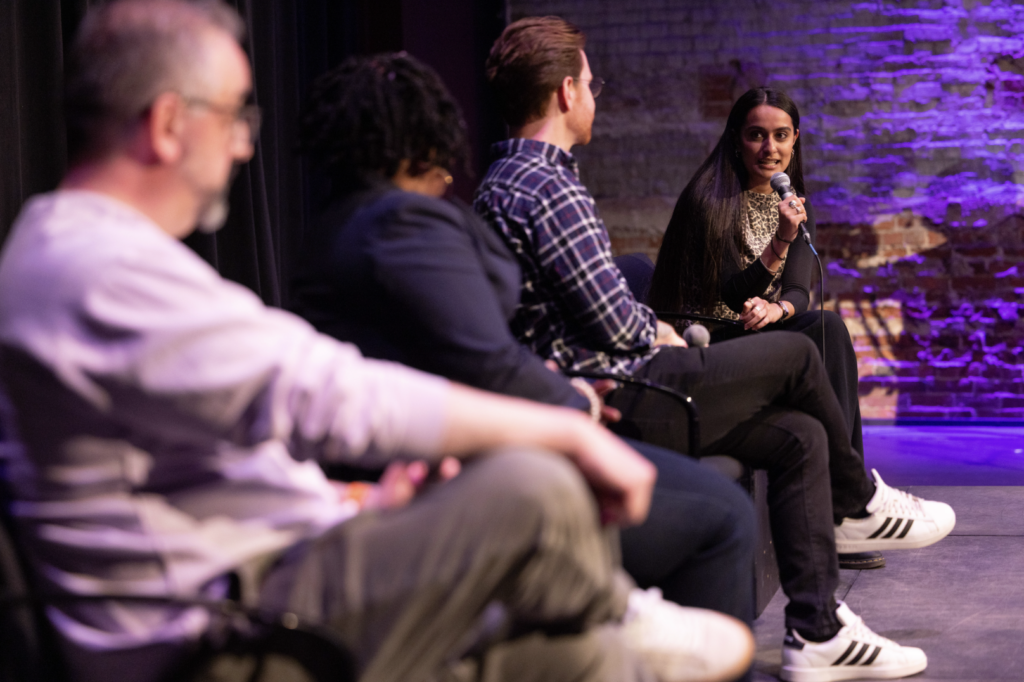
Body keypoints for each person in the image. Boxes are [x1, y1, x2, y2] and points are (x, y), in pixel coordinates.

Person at [0, 3, 753, 682]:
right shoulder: (92, 268)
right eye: (234, 118)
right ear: (168, 124)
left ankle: (613, 628)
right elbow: (321, 389)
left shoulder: (91, 254)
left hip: (258, 585)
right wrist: (566, 425)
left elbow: (196, 471)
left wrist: (353, 499)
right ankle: (619, 608)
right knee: (537, 481)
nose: (239, 147)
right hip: (217, 640)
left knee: (579, 660)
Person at [474, 15, 955, 682]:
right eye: (591, 82)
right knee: (799, 354)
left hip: (637, 371)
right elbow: (620, 326)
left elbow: (601, 310)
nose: (595, 95)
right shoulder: (546, 187)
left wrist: (772, 277)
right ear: (564, 93)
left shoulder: (518, 180)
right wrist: (662, 330)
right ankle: (859, 502)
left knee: (799, 437)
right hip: (634, 389)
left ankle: (817, 631)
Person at [288, 51, 758, 631]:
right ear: (422, 136)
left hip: (442, 447)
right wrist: (573, 403)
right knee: (723, 516)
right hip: (452, 476)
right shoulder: (399, 224)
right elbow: (485, 362)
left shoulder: (330, 232)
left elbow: (450, 353)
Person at [648, 88, 870, 518]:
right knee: (824, 333)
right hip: (710, 340)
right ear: (736, 139)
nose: (771, 149)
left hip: (759, 331)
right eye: (757, 135)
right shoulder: (708, 201)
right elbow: (733, 292)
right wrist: (781, 240)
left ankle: (843, 505)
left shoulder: (791, 201)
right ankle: (845, 502)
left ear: (795, 140)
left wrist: (778, 310)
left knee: (828, 328)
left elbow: (799, 291)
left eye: (781, 136)